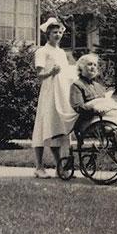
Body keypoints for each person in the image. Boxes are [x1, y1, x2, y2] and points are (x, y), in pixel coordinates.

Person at [32, 17, 78, 178]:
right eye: (54, 33)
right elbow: (39, 75)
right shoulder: (42, 51)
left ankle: (60, 166)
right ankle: (39, 166)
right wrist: (51, 72)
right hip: (49, 92)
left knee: (58, 127)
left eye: (59, 32)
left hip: (62, 92)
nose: (57, 35)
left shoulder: (61, 53)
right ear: (48, 35)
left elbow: (67, 73)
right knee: (45, 126)